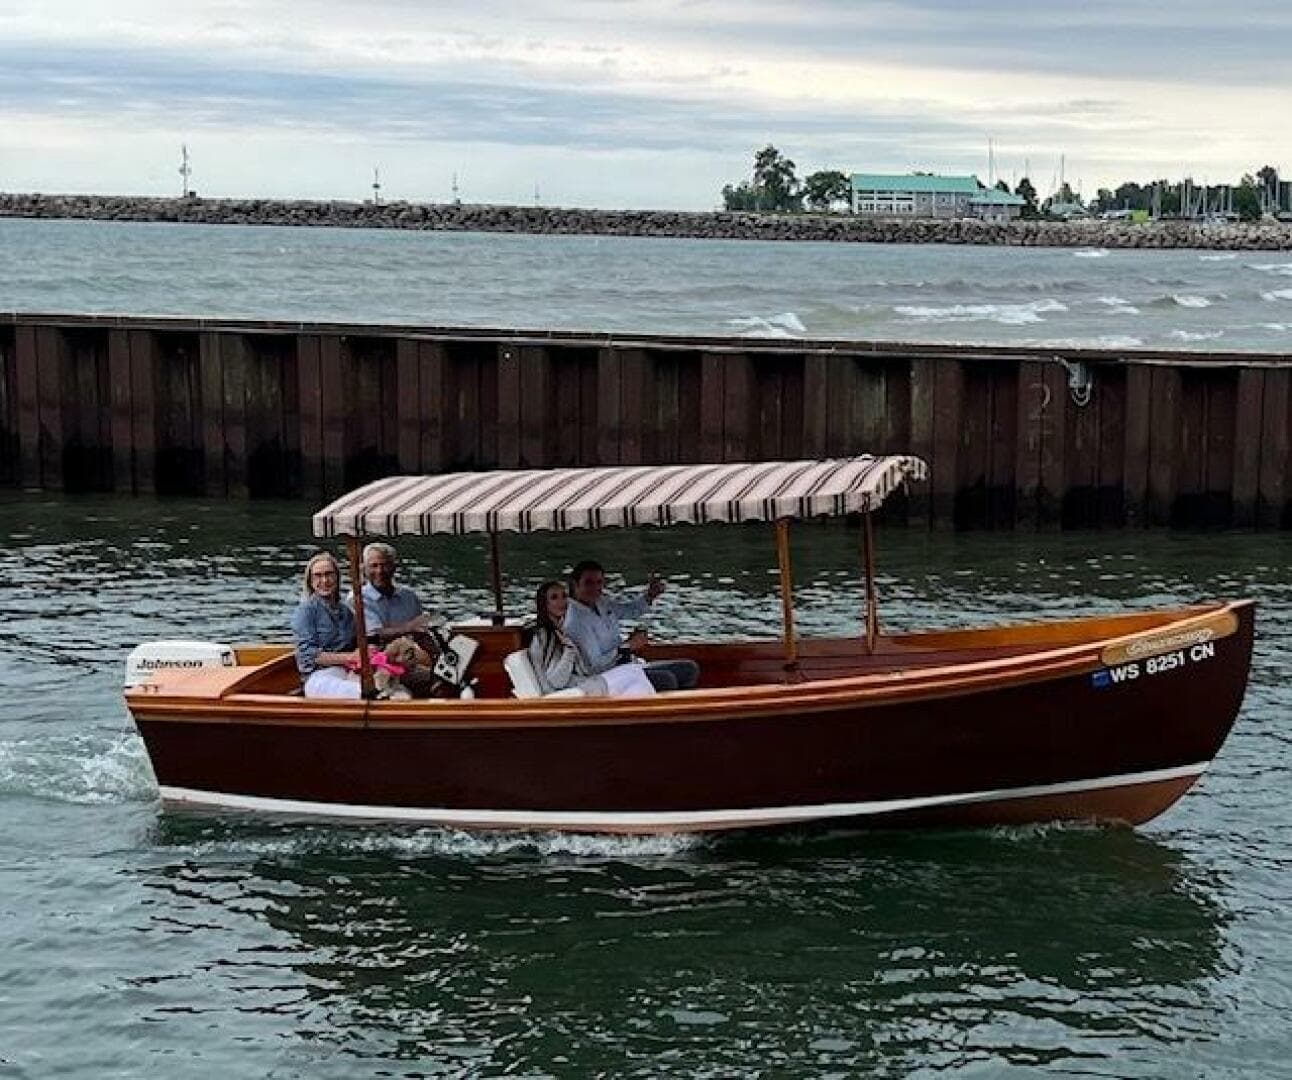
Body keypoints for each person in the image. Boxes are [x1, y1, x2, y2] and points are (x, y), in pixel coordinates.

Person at [562, 559, 700, 692]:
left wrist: (649, 596)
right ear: (575, 584)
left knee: (689, 668)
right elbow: (595, 666)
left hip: (629, 665)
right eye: (588, 583)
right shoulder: (575, 622)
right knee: (667, 680)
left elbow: (629, 610)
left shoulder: (601, 603)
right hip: (608, 678)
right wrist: (628, 646)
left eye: (599, 582)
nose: (595, 588)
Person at [526, 580, 656, 697]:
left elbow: (585, 669)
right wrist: (569, 651)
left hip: (586, 682)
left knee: (636, 680)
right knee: (634, 672)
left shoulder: (560, 631)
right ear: (545, 604)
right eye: (554, 598)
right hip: (570, 691)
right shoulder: (544, 636)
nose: (562, 601)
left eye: (564, 596)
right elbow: (555, 681)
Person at [351, 541, 435, 695]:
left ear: (394, 567)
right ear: (364, 569)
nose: (380, 571)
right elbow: (374, 634)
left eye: (384, 565)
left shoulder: (409, 597)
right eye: (374, 566)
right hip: (379, 663)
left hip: (411, 658)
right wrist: (409, 627)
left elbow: (421, 632)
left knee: (445, 675)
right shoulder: (358, 598)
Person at [291, 551, 364, 699]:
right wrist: (350, 657)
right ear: (310, 582)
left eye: (329, 574)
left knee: (380, 687)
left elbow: (355, 645)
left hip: (346, 671)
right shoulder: (306, 611)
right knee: (360, 692)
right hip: (318, 676)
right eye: (318, 576)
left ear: (337, 578)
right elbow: (309, 656)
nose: (324, 580)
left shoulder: (345, 611)